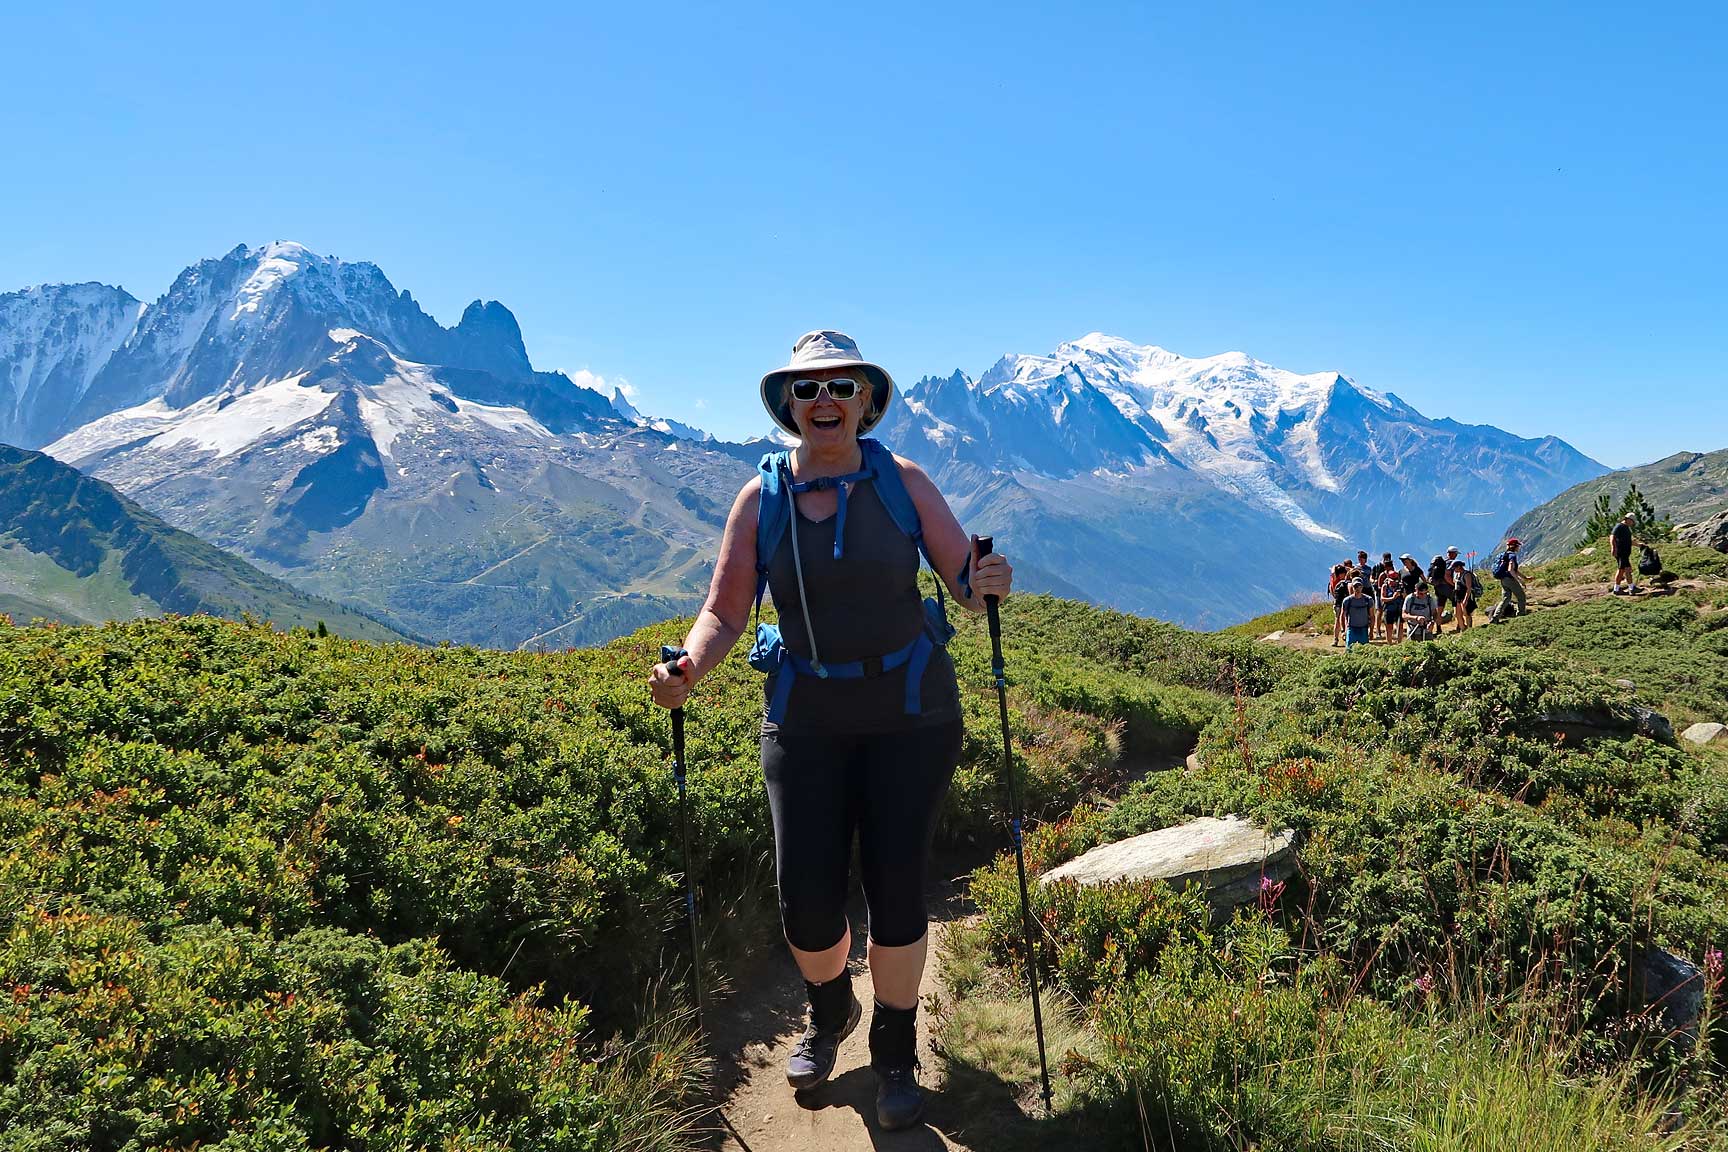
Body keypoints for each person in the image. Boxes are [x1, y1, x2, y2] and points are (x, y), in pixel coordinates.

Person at [648, 330, 1013, 1130]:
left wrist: (987, 580)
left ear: (865, 401)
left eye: (841, 388)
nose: (824, 401)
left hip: (911, 716)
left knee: (896, 888)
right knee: (806, 902)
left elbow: (964, 582)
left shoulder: (903, 482)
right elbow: (725, 611)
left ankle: (895, 1046)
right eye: (808, 389)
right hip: (805, 718)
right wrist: (690, 669)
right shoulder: (761, 499)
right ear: (789, 404)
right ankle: (830, 1010)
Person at [1492, 536, 1528, 621]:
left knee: (1506, 599)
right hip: (1509, 579)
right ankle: (1521, 615)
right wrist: (1520, 581)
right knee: (1521, 597)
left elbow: (1515, 570)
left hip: (1503, 580)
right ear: (1514, 546)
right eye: (1518, 545)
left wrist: (1525, 577)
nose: (1518, 547)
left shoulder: (1504, 555)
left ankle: (1495, 618)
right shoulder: (1512, 555)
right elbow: (1511, 570)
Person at [1339, 577, 1376, 651]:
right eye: (1355, 586)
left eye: (1359, 586)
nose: (1357, 588)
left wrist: (1371, 631)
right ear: (1352, 587)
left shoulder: (1368, 600)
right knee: (1349, 651)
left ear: (1362, 587)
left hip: (1364, 629)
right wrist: (1343, 631)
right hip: (1351, 629)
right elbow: (1342, 616)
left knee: (1364, 652)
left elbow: (1372, 616)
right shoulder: (1347, 600)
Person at [1611, 513, 1643, 595]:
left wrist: (1638, 545)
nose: (1633, 523)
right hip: (1621, 552)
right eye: (1632, 522)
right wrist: (1613, 548)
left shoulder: (1626, 528)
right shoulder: (1619, 526)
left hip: (1624, 553)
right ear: (1628, 520)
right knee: (1623, 570)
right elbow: (1612, 537)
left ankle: (1628, 588)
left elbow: (1628, 541)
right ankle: (1620, 589)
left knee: (1626, 570)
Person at [1449, 558, 1477, 631]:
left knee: (1466, 613)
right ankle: (1463, 629)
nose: (1453, 569)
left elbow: (1469, 588)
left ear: (1459, 566)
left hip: (1464, 595)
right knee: (1457, 614)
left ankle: (1469, 629)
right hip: (1458, 596)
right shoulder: (1457, 575)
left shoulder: (1467, 574)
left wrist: (1466, 600)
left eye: (1454, 568)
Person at [1378, 568, 1403, 644]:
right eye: (1393, 580)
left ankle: (1399, 642)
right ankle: (1389, 643)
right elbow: (1383, 598)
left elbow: (1405, 596)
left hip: (1399, 608)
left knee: (1400, 625)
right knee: (1389, 626)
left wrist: (1401, 594)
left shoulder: (1400, 586)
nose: (1394, 582)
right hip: (1388, 609)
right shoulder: (1385, 586)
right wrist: (1393, 598)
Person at [1329, 563, 1350, 646]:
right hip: (1340, 603)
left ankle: (1336, 639)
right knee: (1341, 620)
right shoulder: (1336, 579)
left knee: (1339, 620)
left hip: (1339, 602)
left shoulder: (1334, 579)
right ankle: (1341, 637)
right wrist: (1341, 567)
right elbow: (1333, 570)